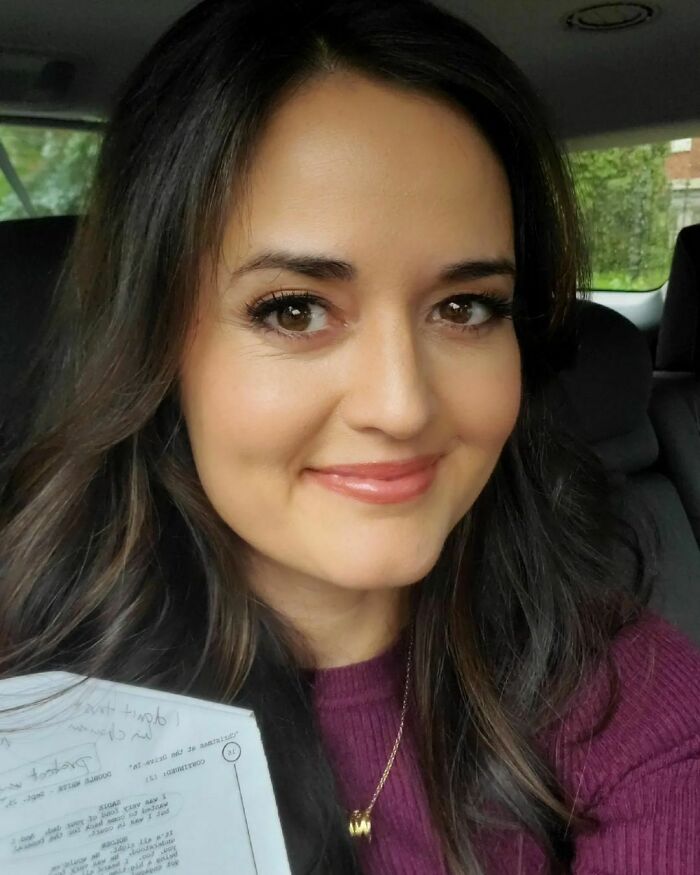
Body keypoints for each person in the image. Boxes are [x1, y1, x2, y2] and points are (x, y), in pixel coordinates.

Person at [0, 0, 698, 872]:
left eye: (465, 306)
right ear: (159, 344)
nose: (402, 405)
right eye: (294, 309)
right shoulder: (28, 720)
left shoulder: (624, 693)